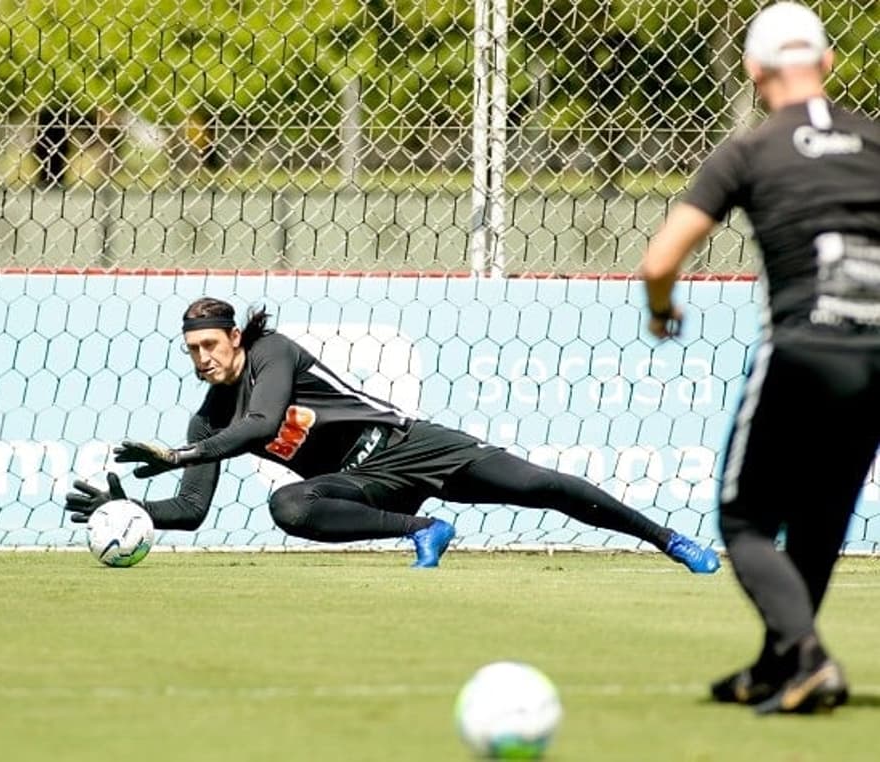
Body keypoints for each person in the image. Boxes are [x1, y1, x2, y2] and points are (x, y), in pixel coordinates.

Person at [65, 296, 720, 575]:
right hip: (362, 484)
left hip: (407, 444)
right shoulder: (207, 420)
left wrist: (179, 454)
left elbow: (260, 425)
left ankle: (668, 539)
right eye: (192, 350)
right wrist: (129, 508)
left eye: (210, 344)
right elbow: (191, 509)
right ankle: (423, 530)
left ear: (235, 337)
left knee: (540, 486)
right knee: (288, 504)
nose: (202, 357)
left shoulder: (273, 352)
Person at [640, 1, 880, 715]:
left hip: (806, 349)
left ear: (753, 70)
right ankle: (779, 665)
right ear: (827, 63)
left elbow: (660, 261)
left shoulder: (750, 150)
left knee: (744, 520)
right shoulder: (875, 141)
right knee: (820, 520)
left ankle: (807, 658)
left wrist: (662, 310)